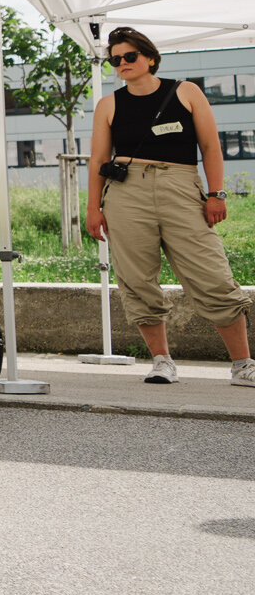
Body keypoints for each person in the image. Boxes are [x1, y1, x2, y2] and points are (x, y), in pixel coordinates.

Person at [84, 26, 253, 385]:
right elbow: (98, 160)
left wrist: (217, 193)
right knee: (136, 279)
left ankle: (243, 364)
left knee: (213, 274)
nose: (122, 63)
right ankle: (162, 361)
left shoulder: (186, 91)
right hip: (126, 193)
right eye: (115, 59)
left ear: (150, 57)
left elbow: (211, 147)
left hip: (181, 187)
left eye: (130, 56)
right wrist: (92, 208)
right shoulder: (108, 104)